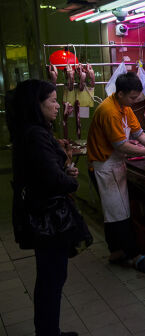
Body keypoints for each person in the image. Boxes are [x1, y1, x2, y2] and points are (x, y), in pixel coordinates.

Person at [7, 79, 86, 336]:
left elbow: (44, 171)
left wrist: (63, 169)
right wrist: (70, 179)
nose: (57, 105)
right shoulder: (35, 135)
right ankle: (48, 332)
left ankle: (48, 330)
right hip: (46, 218)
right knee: (52, 278)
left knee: (50, 277)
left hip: (41, 212)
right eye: (52, 100)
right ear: (36, 105)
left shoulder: (30, 131)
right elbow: (51, 179)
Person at [87, 72, 145, 272]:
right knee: (119, 214)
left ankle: (116, 251)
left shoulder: (124, 107)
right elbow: (121, 145)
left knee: (114, 212)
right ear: (119, 93)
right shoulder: (109, 111)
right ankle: (134, 256)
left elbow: (139, 134)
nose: (134, 101)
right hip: (105, 166)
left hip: (114, 165)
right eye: (132, 97)